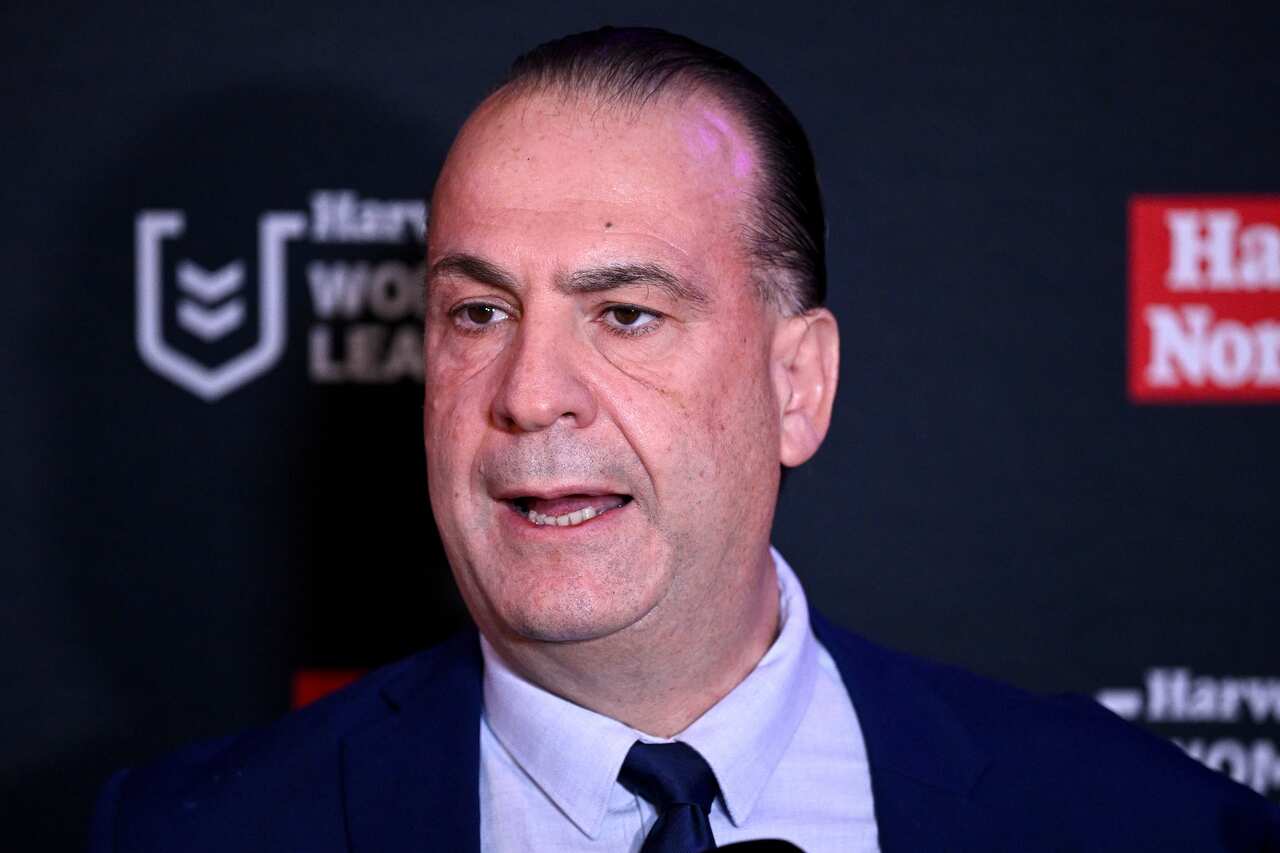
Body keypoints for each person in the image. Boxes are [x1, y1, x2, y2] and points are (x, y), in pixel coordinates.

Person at [90, 26, 1280, 853]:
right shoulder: (186, 834)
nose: (528, 392)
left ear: (796, 383)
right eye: (478, 312)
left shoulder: (1136, 821)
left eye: (624, 314)